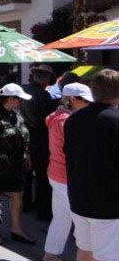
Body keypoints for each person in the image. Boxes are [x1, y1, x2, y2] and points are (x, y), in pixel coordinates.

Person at [64, 69, 119, 261]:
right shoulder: (115, 120)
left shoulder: (72, 119)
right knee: (107, 257)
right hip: (108, 205)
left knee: (85, 250)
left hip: (79, 198)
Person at [0, 83, 35, 245]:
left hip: (15, 165)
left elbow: (24, 136)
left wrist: (27, 155)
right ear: (10, 98)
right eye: (19, 99)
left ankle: (16, 229)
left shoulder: (16, 115)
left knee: (17, 195)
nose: (21, 103)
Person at [43, 83, 93, 261]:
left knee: (61, 218)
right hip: (67, 176)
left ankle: (51, 254)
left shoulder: (57, 117)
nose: (88, 104)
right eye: (85, 100)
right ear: (72, 100)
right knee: (81, 222)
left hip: (57, 173)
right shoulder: (67, 121)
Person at [20, 64, 57, 220]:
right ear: (46, 79)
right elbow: (49, 120)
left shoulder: (24, 90)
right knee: (42, 176)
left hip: (25, 134)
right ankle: (43, 211)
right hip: (40, 137)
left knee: (27, 173)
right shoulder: (44, 96)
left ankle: (26, 204)